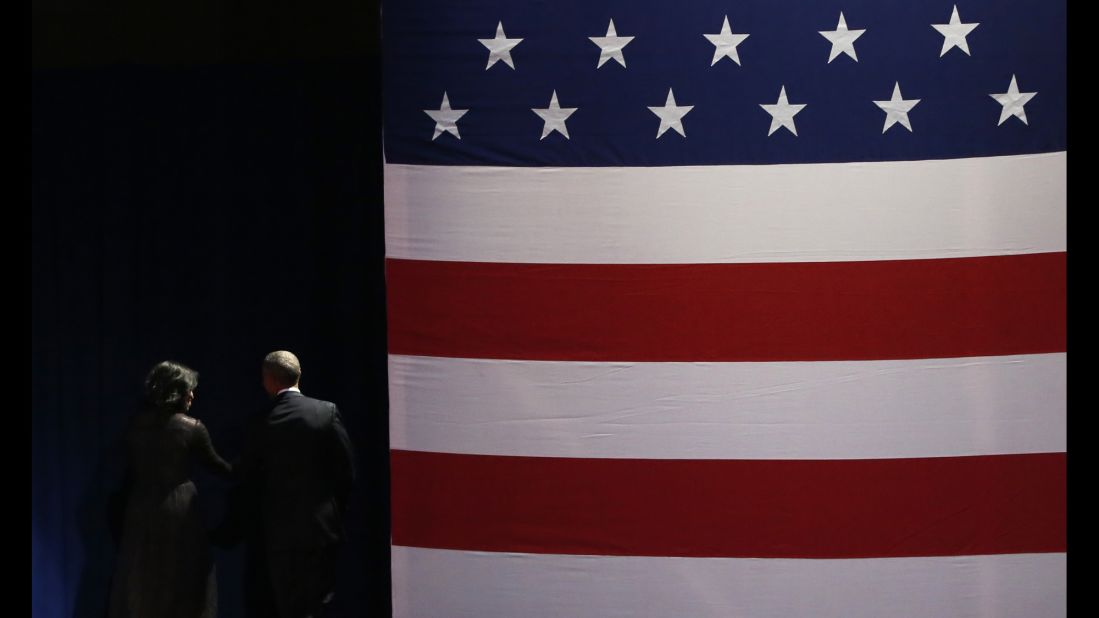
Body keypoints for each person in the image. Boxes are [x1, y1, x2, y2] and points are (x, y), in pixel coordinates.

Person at [235, 350, 356, 618]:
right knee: (317, 607)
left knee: (285, 607)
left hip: (277, 534)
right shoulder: (326, 413)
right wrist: (333, 512)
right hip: (320, 531)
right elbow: (346, 472)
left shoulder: (259, 422)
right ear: (299, 375)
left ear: (268, 380)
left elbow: (247, 479)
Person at [109, 360, 232, 618]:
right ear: (177, 390)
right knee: (183, 579)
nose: (192, 394)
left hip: (141, 508)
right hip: (180, 510)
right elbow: (218, 467)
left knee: (144, 579)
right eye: (189, 389)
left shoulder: (135, 426)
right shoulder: (192, 428)